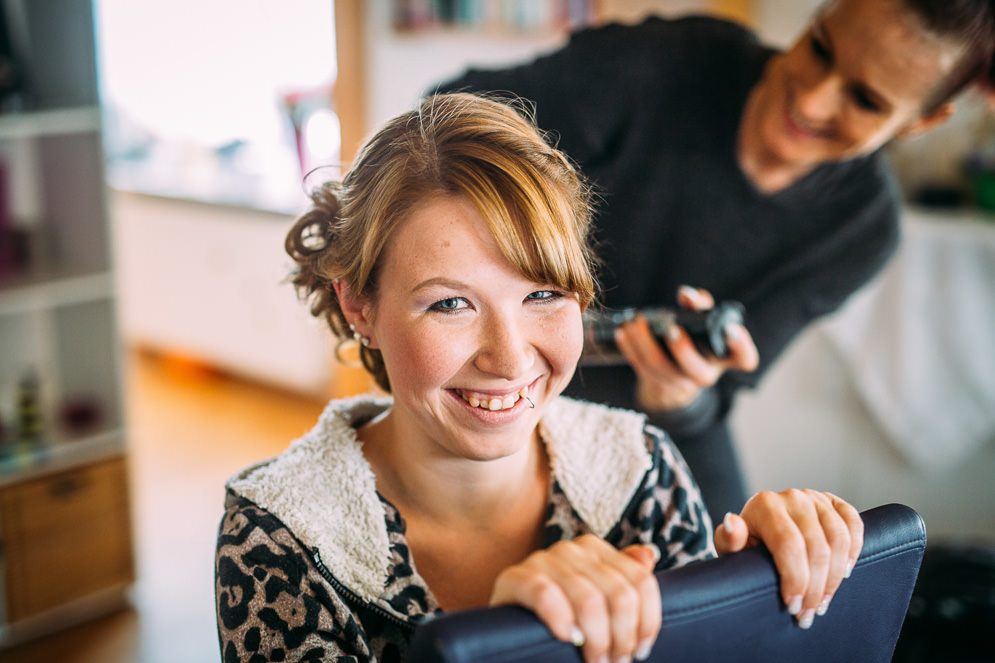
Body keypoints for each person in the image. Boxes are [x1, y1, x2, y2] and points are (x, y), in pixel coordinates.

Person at [214, 92, 865, 663]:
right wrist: (507, 648)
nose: (510, 357)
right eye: (450, 303)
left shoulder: (643, 472)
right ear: (359, 304)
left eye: (544, 294)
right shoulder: (279, 534)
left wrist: (755, 607)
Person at [432, 0, 995, 522]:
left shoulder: (862, 230)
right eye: (820, 47)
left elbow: (716, 396)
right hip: (501, 360)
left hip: (644, 404)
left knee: (734, 584)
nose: (813, 99)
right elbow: (444, 116)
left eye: (865, 100)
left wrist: (680, 392)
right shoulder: (672, 62)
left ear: (921, 122)